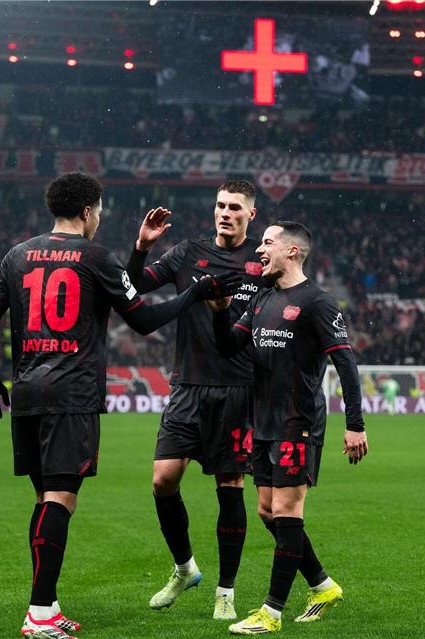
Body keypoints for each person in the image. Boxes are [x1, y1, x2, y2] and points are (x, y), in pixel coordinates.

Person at [0, 172, 240, 639]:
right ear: (86, 211)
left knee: (43, 500)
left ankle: (47, 602)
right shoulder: (95, 256)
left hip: (27, 391)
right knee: (60, 500)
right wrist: (194, 294)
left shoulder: (17, 254)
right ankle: (39, 613)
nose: (99, 218)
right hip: (71, 394)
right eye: (99, 210)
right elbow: (143, 320)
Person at [208, 221, 368, 635]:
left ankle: (271, 612)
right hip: (262, 422)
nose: (258, 251)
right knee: (266, 510)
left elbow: (346, 364)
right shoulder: (262, 299)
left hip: (298, 421)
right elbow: (229, 347)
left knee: (287, 510)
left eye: (266, 244)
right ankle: (322, 585)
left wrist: (355, 425)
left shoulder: (318, 302)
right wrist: (219, 312)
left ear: (293, 251)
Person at [124, 180, 265, 620]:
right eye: (220, 205)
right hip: (188, 384)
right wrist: (142, 247)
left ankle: (226, 590)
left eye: (235, 208)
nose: (225, 213)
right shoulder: (188, 252)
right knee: (163, 480)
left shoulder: (263, 261)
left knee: (230, 487)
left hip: (239, 388)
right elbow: (134, 286)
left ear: (251, 215)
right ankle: (185, 569)